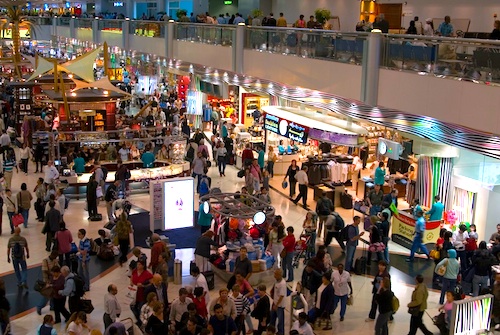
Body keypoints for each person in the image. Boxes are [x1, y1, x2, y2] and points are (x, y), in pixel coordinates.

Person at [131, 260, 153, 326]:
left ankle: (141, 322)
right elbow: (131, 278)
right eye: (137, 264)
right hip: (134, 294)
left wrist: (143, 285)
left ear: (143, 266)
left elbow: (151, 283)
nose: (138, 266)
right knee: (133, 307)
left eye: (139, 264)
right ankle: (137, 319)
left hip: (142, 294)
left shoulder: (147, 274)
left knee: (141, 308)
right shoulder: (134, 271)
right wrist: (131, 283)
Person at [36, 250, 59, 315]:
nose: (56, 257)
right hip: (47, 281)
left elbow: (57, 267)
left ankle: (52, 306)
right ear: (52, 254)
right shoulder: (45, 261)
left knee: (52, 294)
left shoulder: (55, 260)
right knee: (46, 295)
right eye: (55, 256)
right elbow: (45, 270)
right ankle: (39, 307)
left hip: (53, 280)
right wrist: (53, 274)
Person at [270, 269, 286, 335]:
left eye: (276, 274)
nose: (274, 276)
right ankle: (271, 331)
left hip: (279, 306)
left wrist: (276, 305)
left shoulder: (282, 284)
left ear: (280, 275)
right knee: (272, 318)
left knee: (280, 321)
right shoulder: (277, 281)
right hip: (275, 303)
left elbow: (281, 296)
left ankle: (281, 333)